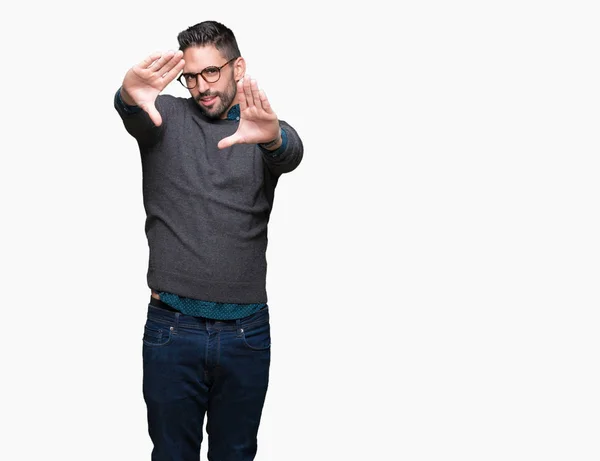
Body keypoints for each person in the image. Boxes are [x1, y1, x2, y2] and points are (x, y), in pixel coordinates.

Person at [113, 20, 303, 461]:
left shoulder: (260, 125)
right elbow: (133, 111)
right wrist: (126, 98)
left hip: (246, 333)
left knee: (236, 454)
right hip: (172, 328)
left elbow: (291, 151)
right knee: (171, 454)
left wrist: (273, 137)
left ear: (238, 67)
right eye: (191, 76)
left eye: (212, 72)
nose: (201, 87)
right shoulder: (165, 118)